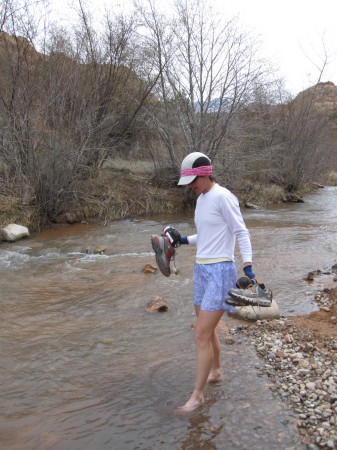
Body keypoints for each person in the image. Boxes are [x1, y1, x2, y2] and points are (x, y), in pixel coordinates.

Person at [167, 151, 256, 413]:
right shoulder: (202, 199)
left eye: (194, 181)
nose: (192, 187)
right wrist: (183, 240)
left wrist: (248, 265)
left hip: (220, 271)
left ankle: (197, 396)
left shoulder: (223, 197)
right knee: (208, 330)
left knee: (200, 335)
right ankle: (216, 371)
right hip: (202, 270)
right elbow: (206, 234)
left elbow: (240, 230)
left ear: (205, 174)